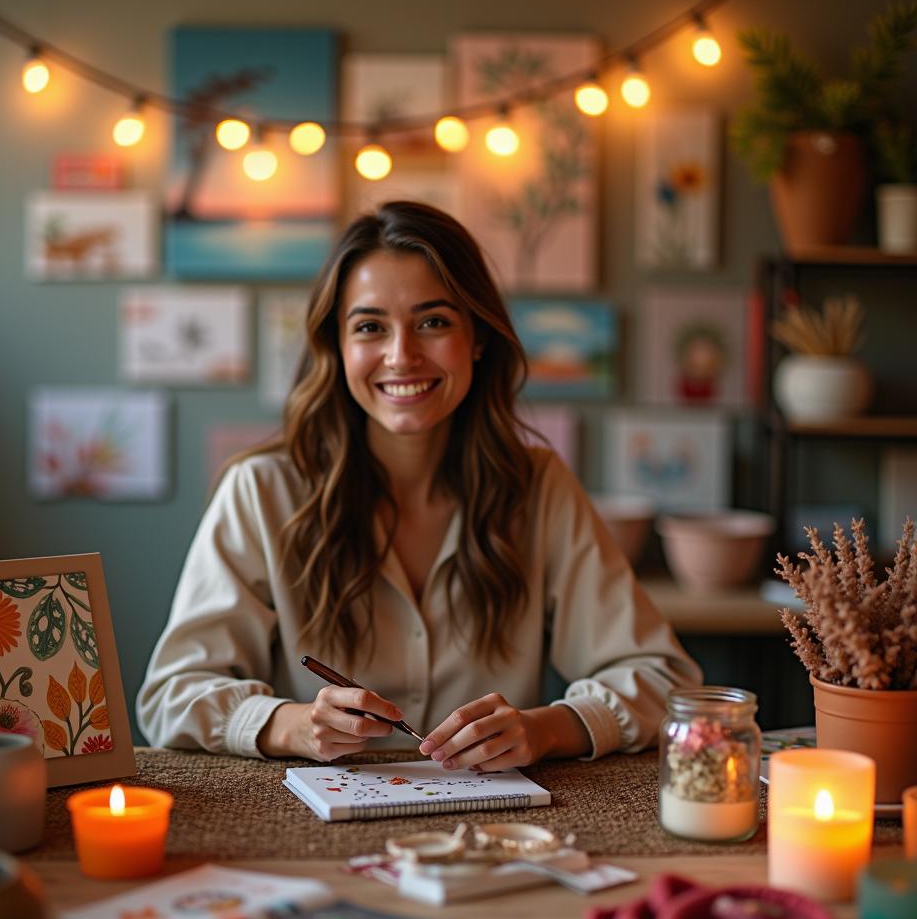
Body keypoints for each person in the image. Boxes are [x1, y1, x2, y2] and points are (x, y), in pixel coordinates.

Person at [137, 201, 701, 770]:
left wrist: (545, 729)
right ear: (337, 346)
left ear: (477, 337)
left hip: (495, 838)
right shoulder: (260, 492)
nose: (401, 355)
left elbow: (661, 680)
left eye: (433, 322)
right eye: (370, 327)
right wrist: (291, 725)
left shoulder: (539, 488)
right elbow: (171, 698)